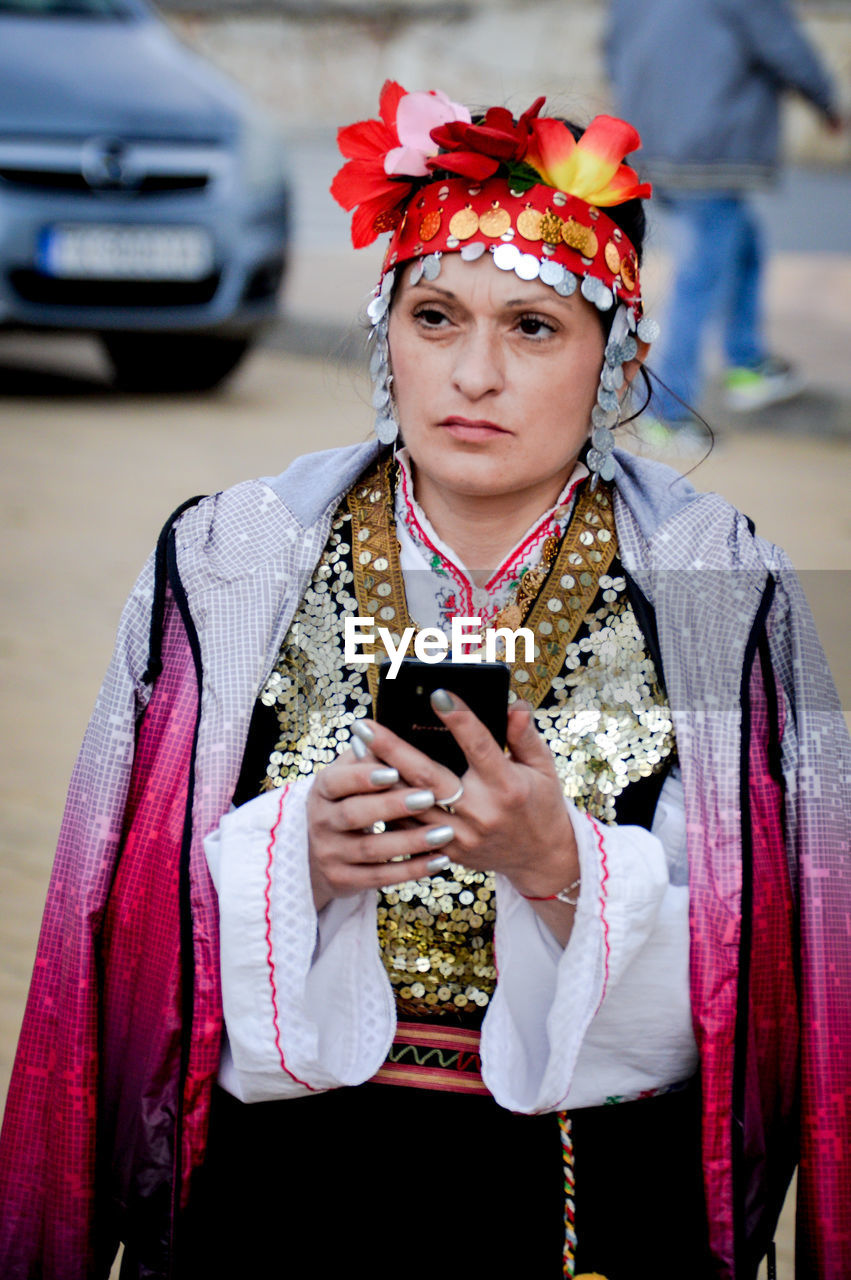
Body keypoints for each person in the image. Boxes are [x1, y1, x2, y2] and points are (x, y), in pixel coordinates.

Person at [0, 83, 848, 1280]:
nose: (474, 374)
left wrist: (563, 873)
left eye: (535, 326)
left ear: (617, 361)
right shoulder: (225, 556)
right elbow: (115, 913)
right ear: (381, 334)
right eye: (436, 316)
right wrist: (296, 856)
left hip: (585, 1193)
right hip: (284, 1181)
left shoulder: (728, 582)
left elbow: (786, 944)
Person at [606, 0, 841, 430]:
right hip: (708, 149)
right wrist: (827, 103)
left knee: (743, 246)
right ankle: (664, 413)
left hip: (654, 145)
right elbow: (785, 47)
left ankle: (745, 358)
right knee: (702, 275)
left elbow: (613, 54)